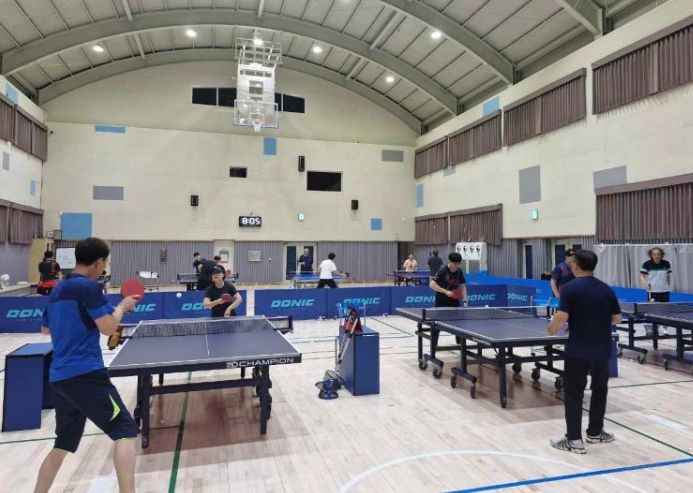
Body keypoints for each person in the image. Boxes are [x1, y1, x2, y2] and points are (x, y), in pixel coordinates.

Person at [35, 237, 139, 493]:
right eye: (105, 263)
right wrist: (122, 307)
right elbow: (108, 327)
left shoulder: (58, 289)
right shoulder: (88, 287)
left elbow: (45, 329)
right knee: (125, 431)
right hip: (85, 374)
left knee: (62, 443)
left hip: (59, 378)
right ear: (98, 262)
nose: (104, 268)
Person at [547, 249, 621, 454]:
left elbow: (561, 317)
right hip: (602, 349)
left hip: (578, 350)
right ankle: (595, 433)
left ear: (575, 265)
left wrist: (551, 329)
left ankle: (573, 440)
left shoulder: (570, 289)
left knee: (574, 393)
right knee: (599, 390)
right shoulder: (606, 289)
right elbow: (617, 319)